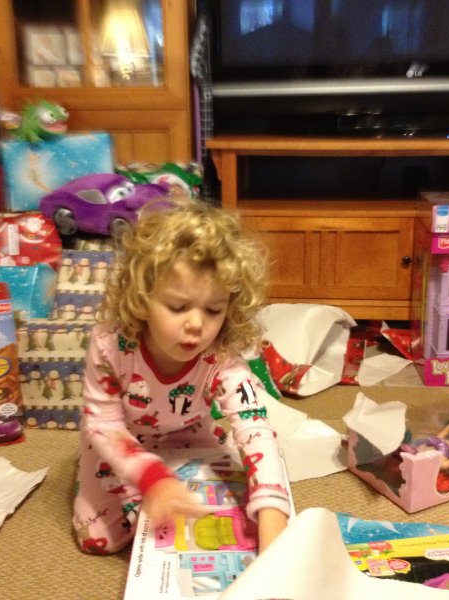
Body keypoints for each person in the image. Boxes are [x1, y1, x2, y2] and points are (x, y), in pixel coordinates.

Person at [72, 197, 290, 556]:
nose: (196, 324)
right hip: (120, 437)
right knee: (98, 539)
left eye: (214, 310)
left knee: (231, 520)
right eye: (178, 307)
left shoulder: (222, 358)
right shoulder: (110, 344)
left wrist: (273, 512)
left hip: (188, 433)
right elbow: (103, 422)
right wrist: (152, 478)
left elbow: (256, 430)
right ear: (142, 298)